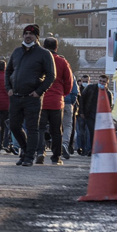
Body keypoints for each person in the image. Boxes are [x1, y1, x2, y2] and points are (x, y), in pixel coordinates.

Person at [5, 24, 56, 167]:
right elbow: (8, 71)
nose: (28, 36)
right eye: (25, 33)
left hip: (32, 97)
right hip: (15, 96)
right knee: (14, 126)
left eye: (31, 34)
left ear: (37, 37)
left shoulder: (44, 54)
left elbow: (51, 75)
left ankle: (28, 157)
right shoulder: (16, 52)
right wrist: (8, 88)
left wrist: (39, 91)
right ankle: (26, 149)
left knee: (32, 128)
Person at [35, 36, 73, 165]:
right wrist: (63, 94)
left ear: (43, 47)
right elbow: (69, 81)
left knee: (39, 128)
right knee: (56, 130)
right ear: (56, 47)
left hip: (41, 99)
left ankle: (40, 152)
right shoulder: (62, 62)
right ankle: (56, 157)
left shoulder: (39, 60)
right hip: (57, 101)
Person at [77, 74, 112, 156]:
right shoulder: (90, 88)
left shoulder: (108, 93)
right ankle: (90, 150)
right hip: (89, 114)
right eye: (100, 81)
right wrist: (81, 112)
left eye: (104, 82)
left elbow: (109, 106)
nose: (101, 83)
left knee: (98, 134)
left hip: (101, 117)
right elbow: (82, 99)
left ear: (107, 83)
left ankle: (95, 149)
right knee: (91, 132)